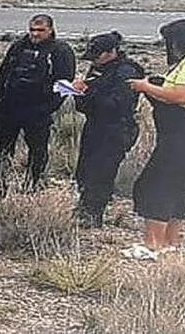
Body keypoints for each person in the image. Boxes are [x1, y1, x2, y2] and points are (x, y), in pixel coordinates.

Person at [123, 18, 185, 261]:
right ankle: (170, 243)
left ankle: (152, 244)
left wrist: (144, 87)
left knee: (158, 183)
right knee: (178, 186)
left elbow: (181, 95)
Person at [0, 14, 77, 190]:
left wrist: (47, 108)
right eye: (32, 30)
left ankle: (33, 183)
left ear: (50, 30)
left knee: (37, 150)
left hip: (38, 109)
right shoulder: (18, 47)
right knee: (3, 147)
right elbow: (3, 75)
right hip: (10, 107)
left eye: (40, 30)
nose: (35, 34)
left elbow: (64, 84)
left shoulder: (60, 50)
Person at [70, 31, 145, 228]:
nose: (94, 61)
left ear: (111, 52)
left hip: (116, 129)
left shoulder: (126, 72)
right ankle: (84, 207)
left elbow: (118, 105)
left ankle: (94, 214)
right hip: (95, 125)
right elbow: (84, 106)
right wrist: (79, 93)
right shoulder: (97, 69)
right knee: (85, 170)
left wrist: (88, 92)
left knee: (102, 172)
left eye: (97, 56)